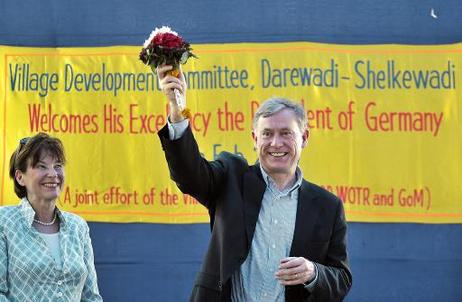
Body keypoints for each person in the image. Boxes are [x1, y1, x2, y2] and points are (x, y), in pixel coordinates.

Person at [157, 65, 352, 302]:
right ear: (254, 139)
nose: (276, 143)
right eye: (267, 134)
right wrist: (178, 112)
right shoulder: (231, 177)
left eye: (286, 133)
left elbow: (341, 279)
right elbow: (189, 175)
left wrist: (313, 273)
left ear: (304, 138)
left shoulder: (327, 206)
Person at [0, 133, 103, 302]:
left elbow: (91, 297)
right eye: (41, 166)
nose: (53, 174)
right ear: (20, 177)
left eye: (58, 165)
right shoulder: (4, 221)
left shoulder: (78, 227)